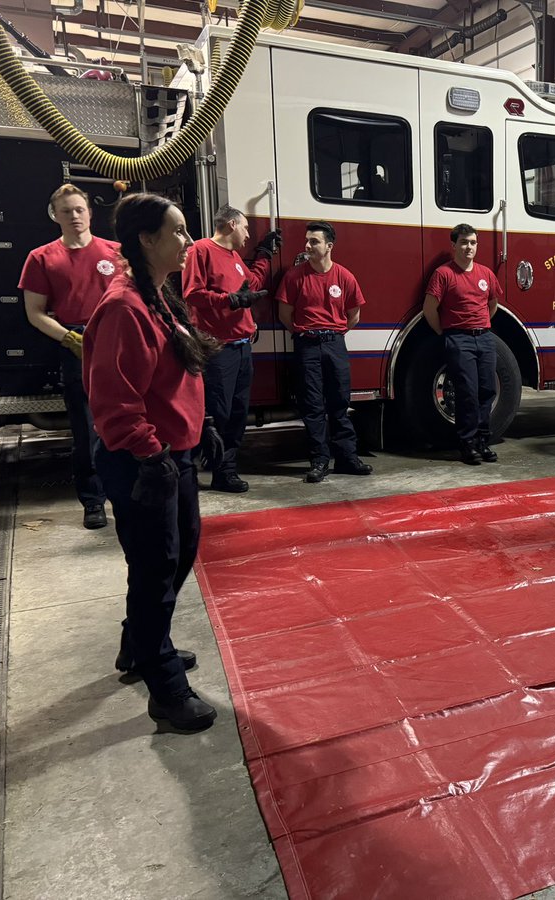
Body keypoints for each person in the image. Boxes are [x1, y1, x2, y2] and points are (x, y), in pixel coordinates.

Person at [83, 192, 223, 731]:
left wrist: (199, 422)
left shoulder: (157, 294)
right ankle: (164, 686)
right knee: (156, 566)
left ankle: (139, 645)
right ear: (147, 239)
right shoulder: (124, 307)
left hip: (172, 453)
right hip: (145, 461)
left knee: (177, 553)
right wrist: (151, 455)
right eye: (180, 231)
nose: (189, 241)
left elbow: (174, 373)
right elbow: (114, 402)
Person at [20, 184, 120, 530]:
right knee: (87, 429)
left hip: (117, 342)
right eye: (66, 211)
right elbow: (35, 312)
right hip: (76, 346)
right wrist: (71, 339)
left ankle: (124, 492)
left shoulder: (115, 253)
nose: (74, 216)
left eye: (79, 209)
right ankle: (93, 501)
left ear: (90, 213)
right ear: (55, 216)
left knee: (126, 421)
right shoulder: (41, 258)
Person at [182, 205, 281, 492]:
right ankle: (204, 468)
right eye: (246, 228)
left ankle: (226, 471)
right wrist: (229, 301)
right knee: (218, 413)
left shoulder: (235, 257)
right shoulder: (200, 250)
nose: (248, 234)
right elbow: (193, 294)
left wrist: (264, 254)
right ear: (231, 225)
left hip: (241, 348)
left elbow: (250, 285)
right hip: (217, 349)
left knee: (238, 412)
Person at [276, 222, 372, 483]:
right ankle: (319, 460)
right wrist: (306, 333)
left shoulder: (344, 277)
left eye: (314, 241)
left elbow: (354, 315)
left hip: (335, 344)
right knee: (313, 406)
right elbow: (285, 314)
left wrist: (334, 333)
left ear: (329, 246)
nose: (307, 246)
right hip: (307, 345)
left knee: (340, 402)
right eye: (307, 241)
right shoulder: (295, 277)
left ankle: (346, 458)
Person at [423, 224, 503, 465]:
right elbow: (429, 309)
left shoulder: (486, 274)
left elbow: (493, 304)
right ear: (454, 245)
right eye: (464, 242)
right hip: (458, 339)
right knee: (467, 393)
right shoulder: (443, 274)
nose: (469, 247)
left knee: (487, 390)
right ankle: (467, 443)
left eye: (473, 242)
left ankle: (482, 441)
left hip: (485, 338)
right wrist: (446, 333)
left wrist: (482, 327)